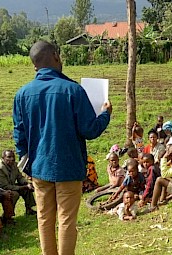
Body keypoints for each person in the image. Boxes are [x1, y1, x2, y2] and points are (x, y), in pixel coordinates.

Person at [12, 41, 112, 255]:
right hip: (68, 167)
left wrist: (26, 163)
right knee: (66, 220)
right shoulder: (73, 90)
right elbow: (90, 130)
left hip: (39, 168)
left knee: (44, 218)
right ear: (56, 56)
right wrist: (105, 114)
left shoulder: (22, 94)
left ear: (34, 66)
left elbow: (19, 135)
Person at [0, 150, 36, 216]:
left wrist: (26, 183)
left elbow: (20, 177)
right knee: (14, 194)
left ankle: (29, 209)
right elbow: (4, 186)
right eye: (9, 157)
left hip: (10, 186)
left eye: (13, 157)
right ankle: (7, 216)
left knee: (27, 189)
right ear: (3, 158)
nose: (12, 159)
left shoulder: (14, 165)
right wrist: (23, 187)